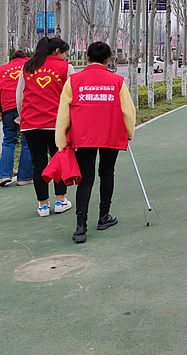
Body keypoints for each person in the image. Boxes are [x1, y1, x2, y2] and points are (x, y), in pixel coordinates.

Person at [55, 41, 135, 244]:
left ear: (87, 57)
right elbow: (128, 111)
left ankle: (80, 227)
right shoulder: (117, 81)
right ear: (107, 60)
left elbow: (64, 113)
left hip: (83, 136)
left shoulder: (73, 81)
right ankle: (104, 216)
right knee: (107, 173)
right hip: (111, 134)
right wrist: (128, 133)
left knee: (86, 179)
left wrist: (61, 140)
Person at [17, 36, 75, 217]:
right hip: (56, 124)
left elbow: (20, 96)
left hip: (31, 123)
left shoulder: (28, 67)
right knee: (59, 161)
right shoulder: (66, 67)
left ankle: (43, 205)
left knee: (38, 164)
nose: (65, 57)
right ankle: (60, 200)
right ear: (57, 51)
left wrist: (23, 116)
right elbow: (72, 97)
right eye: (64, 53)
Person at [0, 50, 34, 187]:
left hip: (8, 108)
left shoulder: (3, 69)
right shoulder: (31, 66)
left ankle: (4, 175)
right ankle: (24, 177)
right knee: (27, 142)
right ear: (26, 57)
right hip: (26, 107)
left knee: (9, 140)